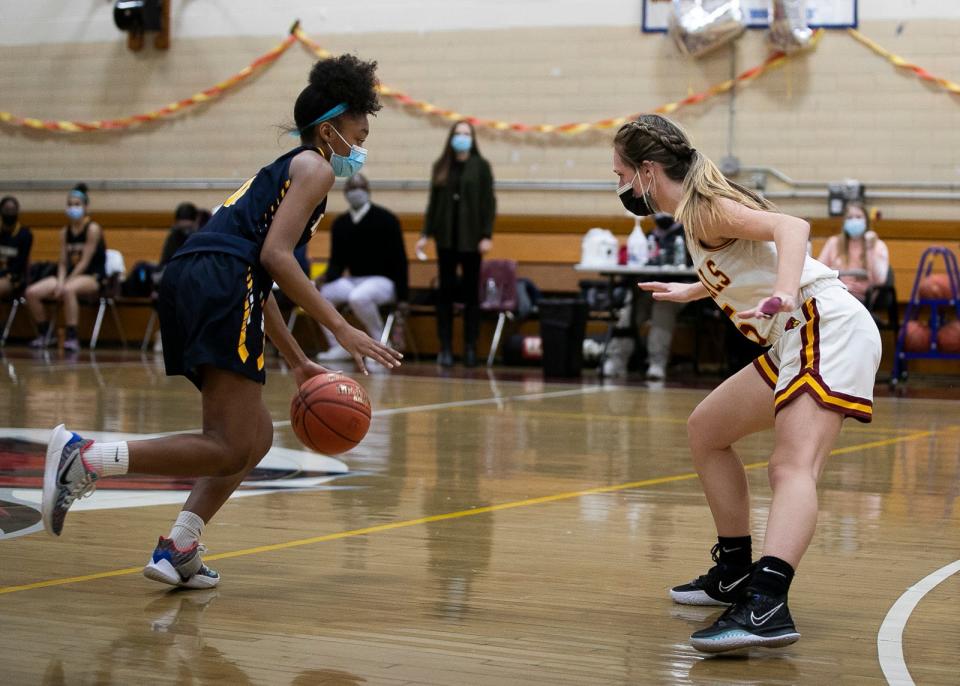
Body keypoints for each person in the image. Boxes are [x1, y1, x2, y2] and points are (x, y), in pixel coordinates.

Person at [41, 55, 402, 590]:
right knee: (229, 441)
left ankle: (179, 547)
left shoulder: (280, 172)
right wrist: (341, 329)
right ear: (329, 130)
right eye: (359, 133)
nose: (362, 148)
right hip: (220, 281)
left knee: (254, 434)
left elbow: (263, 279)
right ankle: (86, 459)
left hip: (202, 277)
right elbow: (278, 259)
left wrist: (300, 360)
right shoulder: (317, 167)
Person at [620, 114, 881, 653]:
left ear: (648, 171)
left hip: (821, 324)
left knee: (791, 466)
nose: (618, 186)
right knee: (707, 430)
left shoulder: (705, 208)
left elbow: (793, 229)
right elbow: (745, 262)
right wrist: (693, 291)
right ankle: (735, 571)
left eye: (620, 173)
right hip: (795, 337)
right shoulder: (697, 212)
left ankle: (766, 604)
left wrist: (785, 292)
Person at [416, 120, 496, 367]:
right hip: (446, 238)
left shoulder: (481, 166)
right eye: (458, 133)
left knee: (472, 295)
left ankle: (470, 348)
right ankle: (446, 348)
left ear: (472, 138)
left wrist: (486, 235)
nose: (462, 137)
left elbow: (488, 203)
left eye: (466, 134)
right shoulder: (441, 166)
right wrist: (425, 234)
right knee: (445, 294)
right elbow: (433, 204)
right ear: (451, 137)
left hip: (472, 240)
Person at [315, 173, 408, 363]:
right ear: (345, 193)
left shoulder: (386, 219)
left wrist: (403, 297)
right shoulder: (340, 223)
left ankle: (380, 344)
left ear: (367, 191)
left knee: (359, 297)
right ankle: (338, 345)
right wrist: (324, 279)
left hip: (383, 281)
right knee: (317, 295)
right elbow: (337, 263)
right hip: (354, 280)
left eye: (360, 187)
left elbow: (400, 261)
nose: (355, 192)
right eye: (351, 188)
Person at [25, 183, 106, 352]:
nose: (73, 208)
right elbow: (62, 262)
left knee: (68, 289)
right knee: (32, 292)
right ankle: (45, 333)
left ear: (85, 207)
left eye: (77, 204)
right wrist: (61, 281)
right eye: (70, 204)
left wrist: (64, 284)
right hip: (69, 276)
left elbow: (84, 262)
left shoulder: (93, 229)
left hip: (93, 276)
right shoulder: (64, 232)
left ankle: (72, 337)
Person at [816, 200, 889, 303]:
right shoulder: (833, 242)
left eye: (858, 217)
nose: (854, 221)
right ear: (844, 222)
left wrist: (870, 249)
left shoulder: (877, 245)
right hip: (835, 293)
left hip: (863, 297)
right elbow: (819, 271)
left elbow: (880, 280)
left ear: (866, 221)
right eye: (850, 218)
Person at [0, 196, 33, 299]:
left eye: (12, 210)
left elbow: (20, 264)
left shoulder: (25, 234)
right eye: (6, 210)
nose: (9, 213)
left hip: (14, 277)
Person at [159, 202, 201, 267]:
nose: (186, 231)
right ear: (176, 224)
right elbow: (166, 261)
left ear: (197, 220)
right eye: (183, 228)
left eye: (189, 228)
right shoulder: (175, 234)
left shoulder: (207, 232)